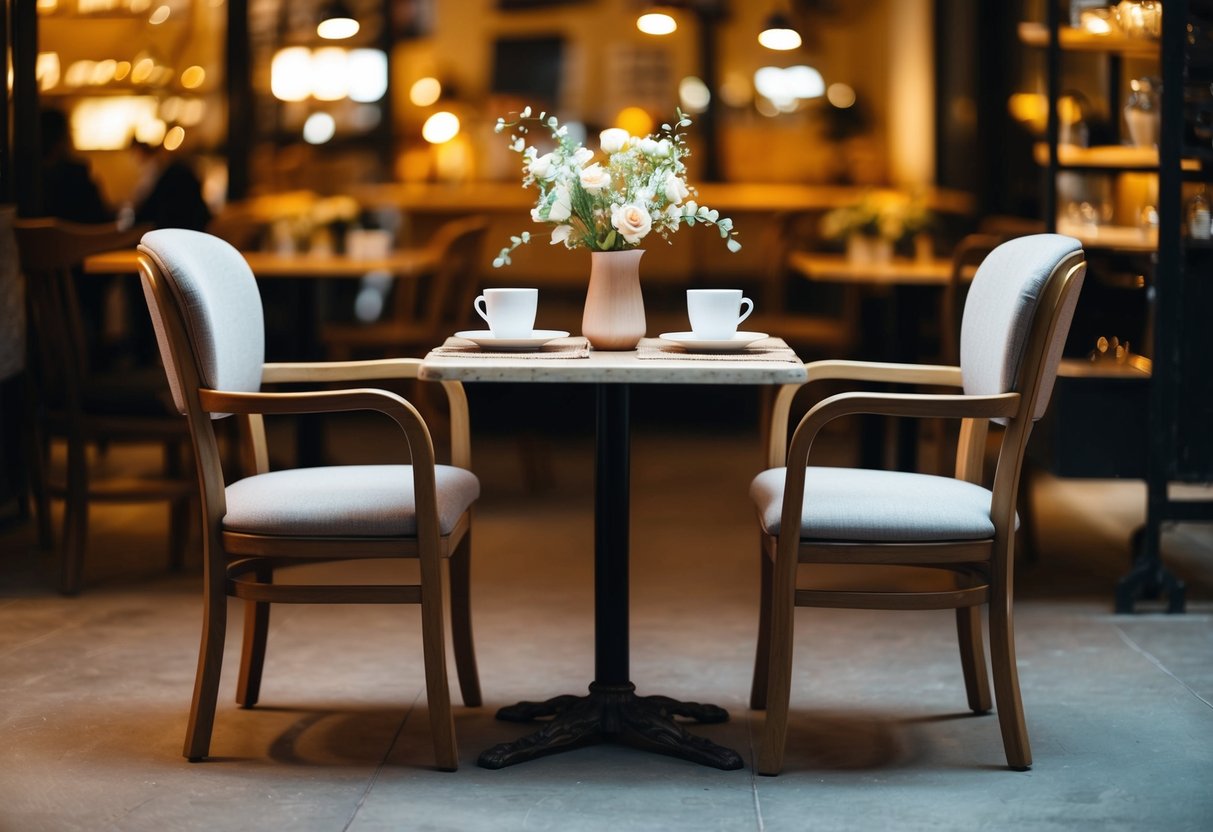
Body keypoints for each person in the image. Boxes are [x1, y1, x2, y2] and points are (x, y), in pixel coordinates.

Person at [40, 108, 112, 223]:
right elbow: (101, 221)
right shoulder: (77, 176)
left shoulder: (21, 181)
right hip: (84, 240)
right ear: (63, 137)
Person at [129, 140, 212, 232]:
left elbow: (149, 206)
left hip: (173, 228)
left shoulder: (164, 172)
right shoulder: (178, 169)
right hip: (193, 225)